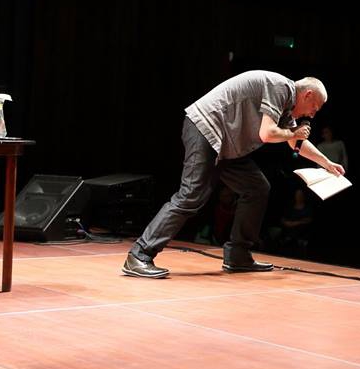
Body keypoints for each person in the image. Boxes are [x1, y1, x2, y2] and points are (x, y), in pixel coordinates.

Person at [122, 71, 344, 278]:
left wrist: (326, 163)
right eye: (314, 108)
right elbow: (267, 134)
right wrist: (293, 132)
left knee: (256, 188)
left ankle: (238, 256)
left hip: (226, 145)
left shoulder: (286, 105)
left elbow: (295, 141)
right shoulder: (280, 88)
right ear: (307, 95)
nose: (311, 115)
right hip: (205, 129)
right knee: (192, 195)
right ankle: (139, 255)